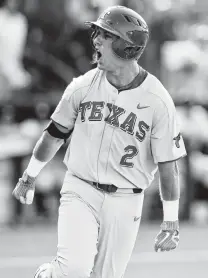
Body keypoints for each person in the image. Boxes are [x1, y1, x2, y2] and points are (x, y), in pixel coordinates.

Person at [13, 5, 187, 278]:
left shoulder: (158, 101)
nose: (96, 40)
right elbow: (54, 135)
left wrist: (171, 219)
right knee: (73, 270)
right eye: (98, 33)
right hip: (80, 189)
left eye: (106, 35)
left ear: (127, 47)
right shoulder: (82, 87)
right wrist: (29, 176)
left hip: (127, 199)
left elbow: (168, 165)